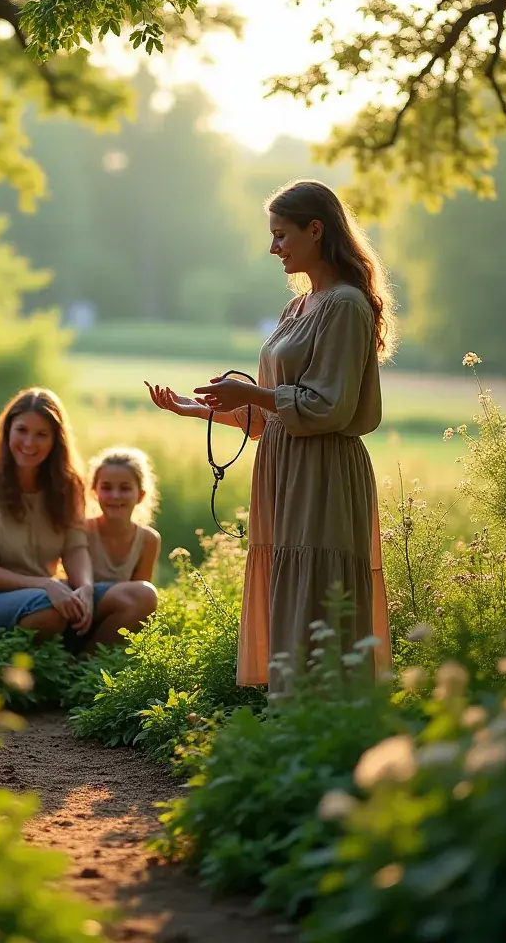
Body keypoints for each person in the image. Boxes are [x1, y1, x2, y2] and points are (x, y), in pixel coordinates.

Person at [146, 179, 394, 693]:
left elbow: (327, 406)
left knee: (321, 591)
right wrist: (199, 409)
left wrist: (251, 393)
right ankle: (291, 720)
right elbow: (271, 415)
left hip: (323, 469)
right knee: (291, 589)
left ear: (316, 229)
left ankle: (328, 721)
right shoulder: (297, 308)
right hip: (285, 465)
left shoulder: (345, 306)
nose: (273, 247)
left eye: (281, 235)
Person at [0, 388, 153, 651]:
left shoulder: (68, 486)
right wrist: (46, 585)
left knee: (141, 596)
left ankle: (82, 672)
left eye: (41, 435)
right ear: (7, 432)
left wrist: (84, 587)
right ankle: (29, 671)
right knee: (50, 610)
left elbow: (75, 547)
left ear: (55, 441)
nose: (29, 443)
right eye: (22, 430)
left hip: (50, 594)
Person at [85, 446, 160, 641]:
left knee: (145, 595)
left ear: (140, 495)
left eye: (125, 488)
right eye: (107, 488)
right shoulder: (81, 530)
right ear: (94, 492)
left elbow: (139, 600)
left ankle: (87, 662)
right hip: (79, 610)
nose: (115, 495)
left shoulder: (148, 540)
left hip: (114, 622)